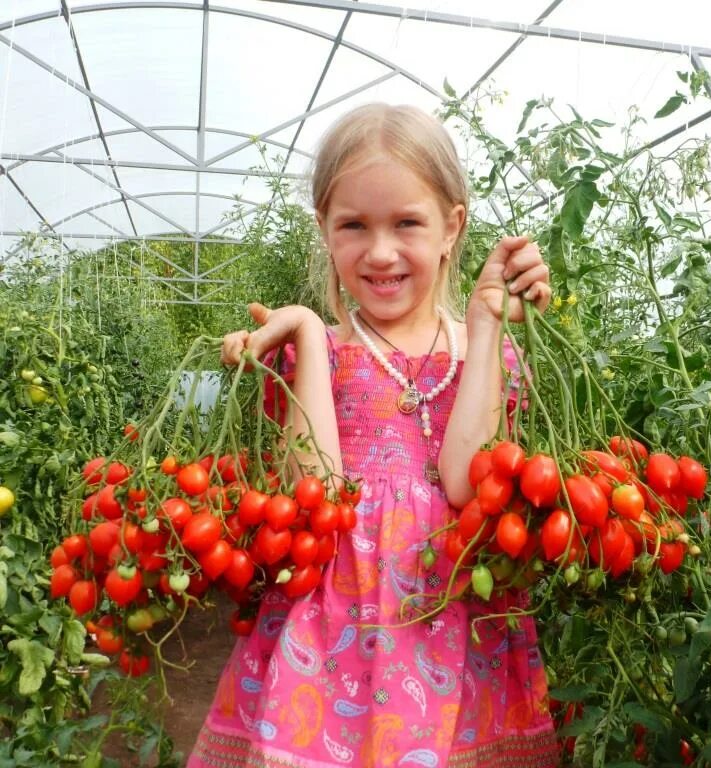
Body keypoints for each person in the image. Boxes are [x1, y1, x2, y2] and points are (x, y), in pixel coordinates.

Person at [187, 103, 559, 768]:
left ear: (452, 228)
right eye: (353, 225)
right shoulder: (317, 352)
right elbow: (313, 494)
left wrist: (486, 326)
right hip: (334, 642)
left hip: (454, 630)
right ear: (326, 233)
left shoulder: (488, 355)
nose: (381, 251)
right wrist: (303, 326)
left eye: (407, 223)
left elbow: (462, 481)